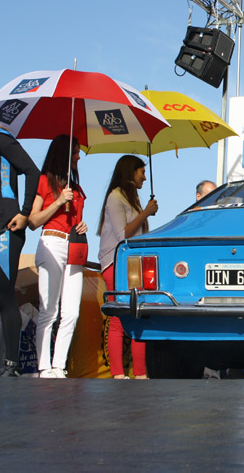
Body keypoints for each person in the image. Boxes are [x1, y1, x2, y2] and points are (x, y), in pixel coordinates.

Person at [0, 102, 40, 377]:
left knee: (4, 297)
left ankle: (12, 363)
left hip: (3, 229)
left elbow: (32, 171)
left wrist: (24, 213)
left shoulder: (0, 139)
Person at [27, 135, 87, 379]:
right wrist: (59, 201)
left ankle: (59, 366)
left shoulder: (77, 187)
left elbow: (75, 217)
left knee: (71, 312)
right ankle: (44, 367)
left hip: (74, 245)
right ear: (63, 153)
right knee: (49, 309)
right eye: (75, 152)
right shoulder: (44, 181)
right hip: (51, 241)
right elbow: (33, 220)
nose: (78, 156)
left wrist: (81, 225)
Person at [98, 155, 158, 379]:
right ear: (130, 173)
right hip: (115, 262)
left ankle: (140, 374)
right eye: (141, 172)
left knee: (139, 316)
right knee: (118, 317)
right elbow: (123, 234)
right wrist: (145, 213)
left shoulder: (133, 198)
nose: (144, 177)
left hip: (133, 264)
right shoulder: (115, 197)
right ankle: (118, 374)